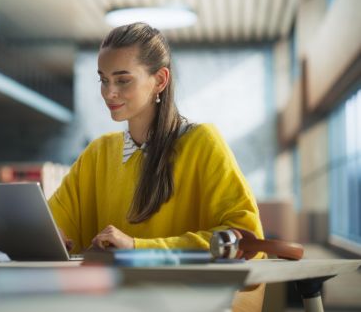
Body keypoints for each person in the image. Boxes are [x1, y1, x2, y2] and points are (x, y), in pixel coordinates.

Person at [48, 22, 264, 255]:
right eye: (104, 80)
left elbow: (247, 239)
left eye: (122, 80)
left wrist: (137, 247)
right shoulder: (97, 153)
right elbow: (54, 223)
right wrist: (52, 235)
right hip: (113, 291)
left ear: (160, 80)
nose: (109, 92)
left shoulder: (202, 143)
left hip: (183, 291)